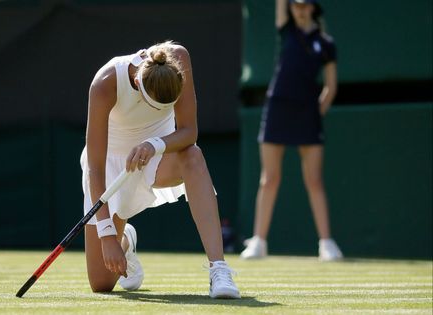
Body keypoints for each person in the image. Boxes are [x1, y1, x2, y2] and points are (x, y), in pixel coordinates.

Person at [81, 41, 240, 298]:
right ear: (139, 87)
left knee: (193, 156)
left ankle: (219, 269)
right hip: (109, 166)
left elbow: (189, 132)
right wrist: (107, 235)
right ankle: (125, 240)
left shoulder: (178, 59)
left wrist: (155, 144)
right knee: (101, 284)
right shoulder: (105, 83)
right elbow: (95, 167)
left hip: (157, 154)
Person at [240, 0, 343, 261]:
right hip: (278, 109)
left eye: (303, 5)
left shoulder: (326, 43)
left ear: (313, 9)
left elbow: (330, 87)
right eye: (295, 5)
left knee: (314, 180)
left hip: (308, 113)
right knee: (270, 178)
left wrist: (315, 113)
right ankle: (259, 242)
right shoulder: (286, 29)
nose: (298, 9)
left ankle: (326, 243)